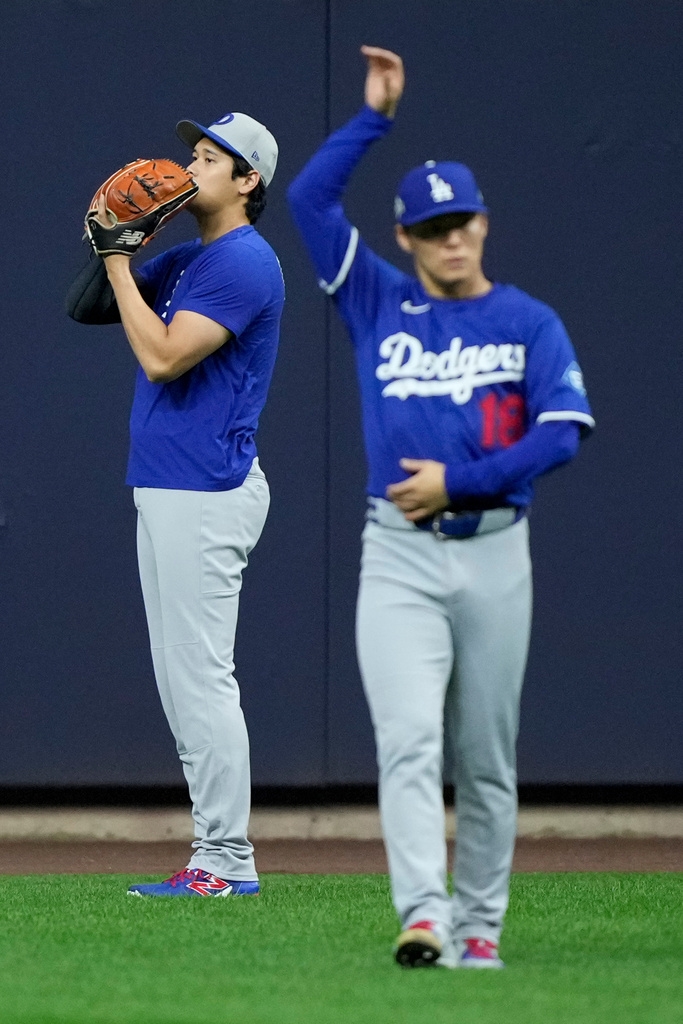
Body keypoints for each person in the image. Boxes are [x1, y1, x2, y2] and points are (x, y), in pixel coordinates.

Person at [288, 47, 594, 967]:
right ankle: (423, 914)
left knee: (486, 763)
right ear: (407, 240)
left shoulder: (528, 321)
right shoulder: (375, 298)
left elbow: (564, 430)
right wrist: (373, 117)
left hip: (497, 551)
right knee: (410, 741)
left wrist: (460, 482)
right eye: (432, 229)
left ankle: (480, 928)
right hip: (400, 555)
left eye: (462, 223)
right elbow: (306, 202)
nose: (451, 239)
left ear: (484, 226)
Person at [67, 112, 284, 897]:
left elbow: (160, 358)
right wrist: (112, 241)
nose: (188, 167)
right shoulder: (193, 258)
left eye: (208, 158)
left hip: (205, 490)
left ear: (247, 179)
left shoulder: (243, 264)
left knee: (200, 678)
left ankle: (225, 862)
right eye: (191, 152)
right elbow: (87, 308)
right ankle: (212, 854)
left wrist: (126, 265)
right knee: (180, 679)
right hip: (168, 484)